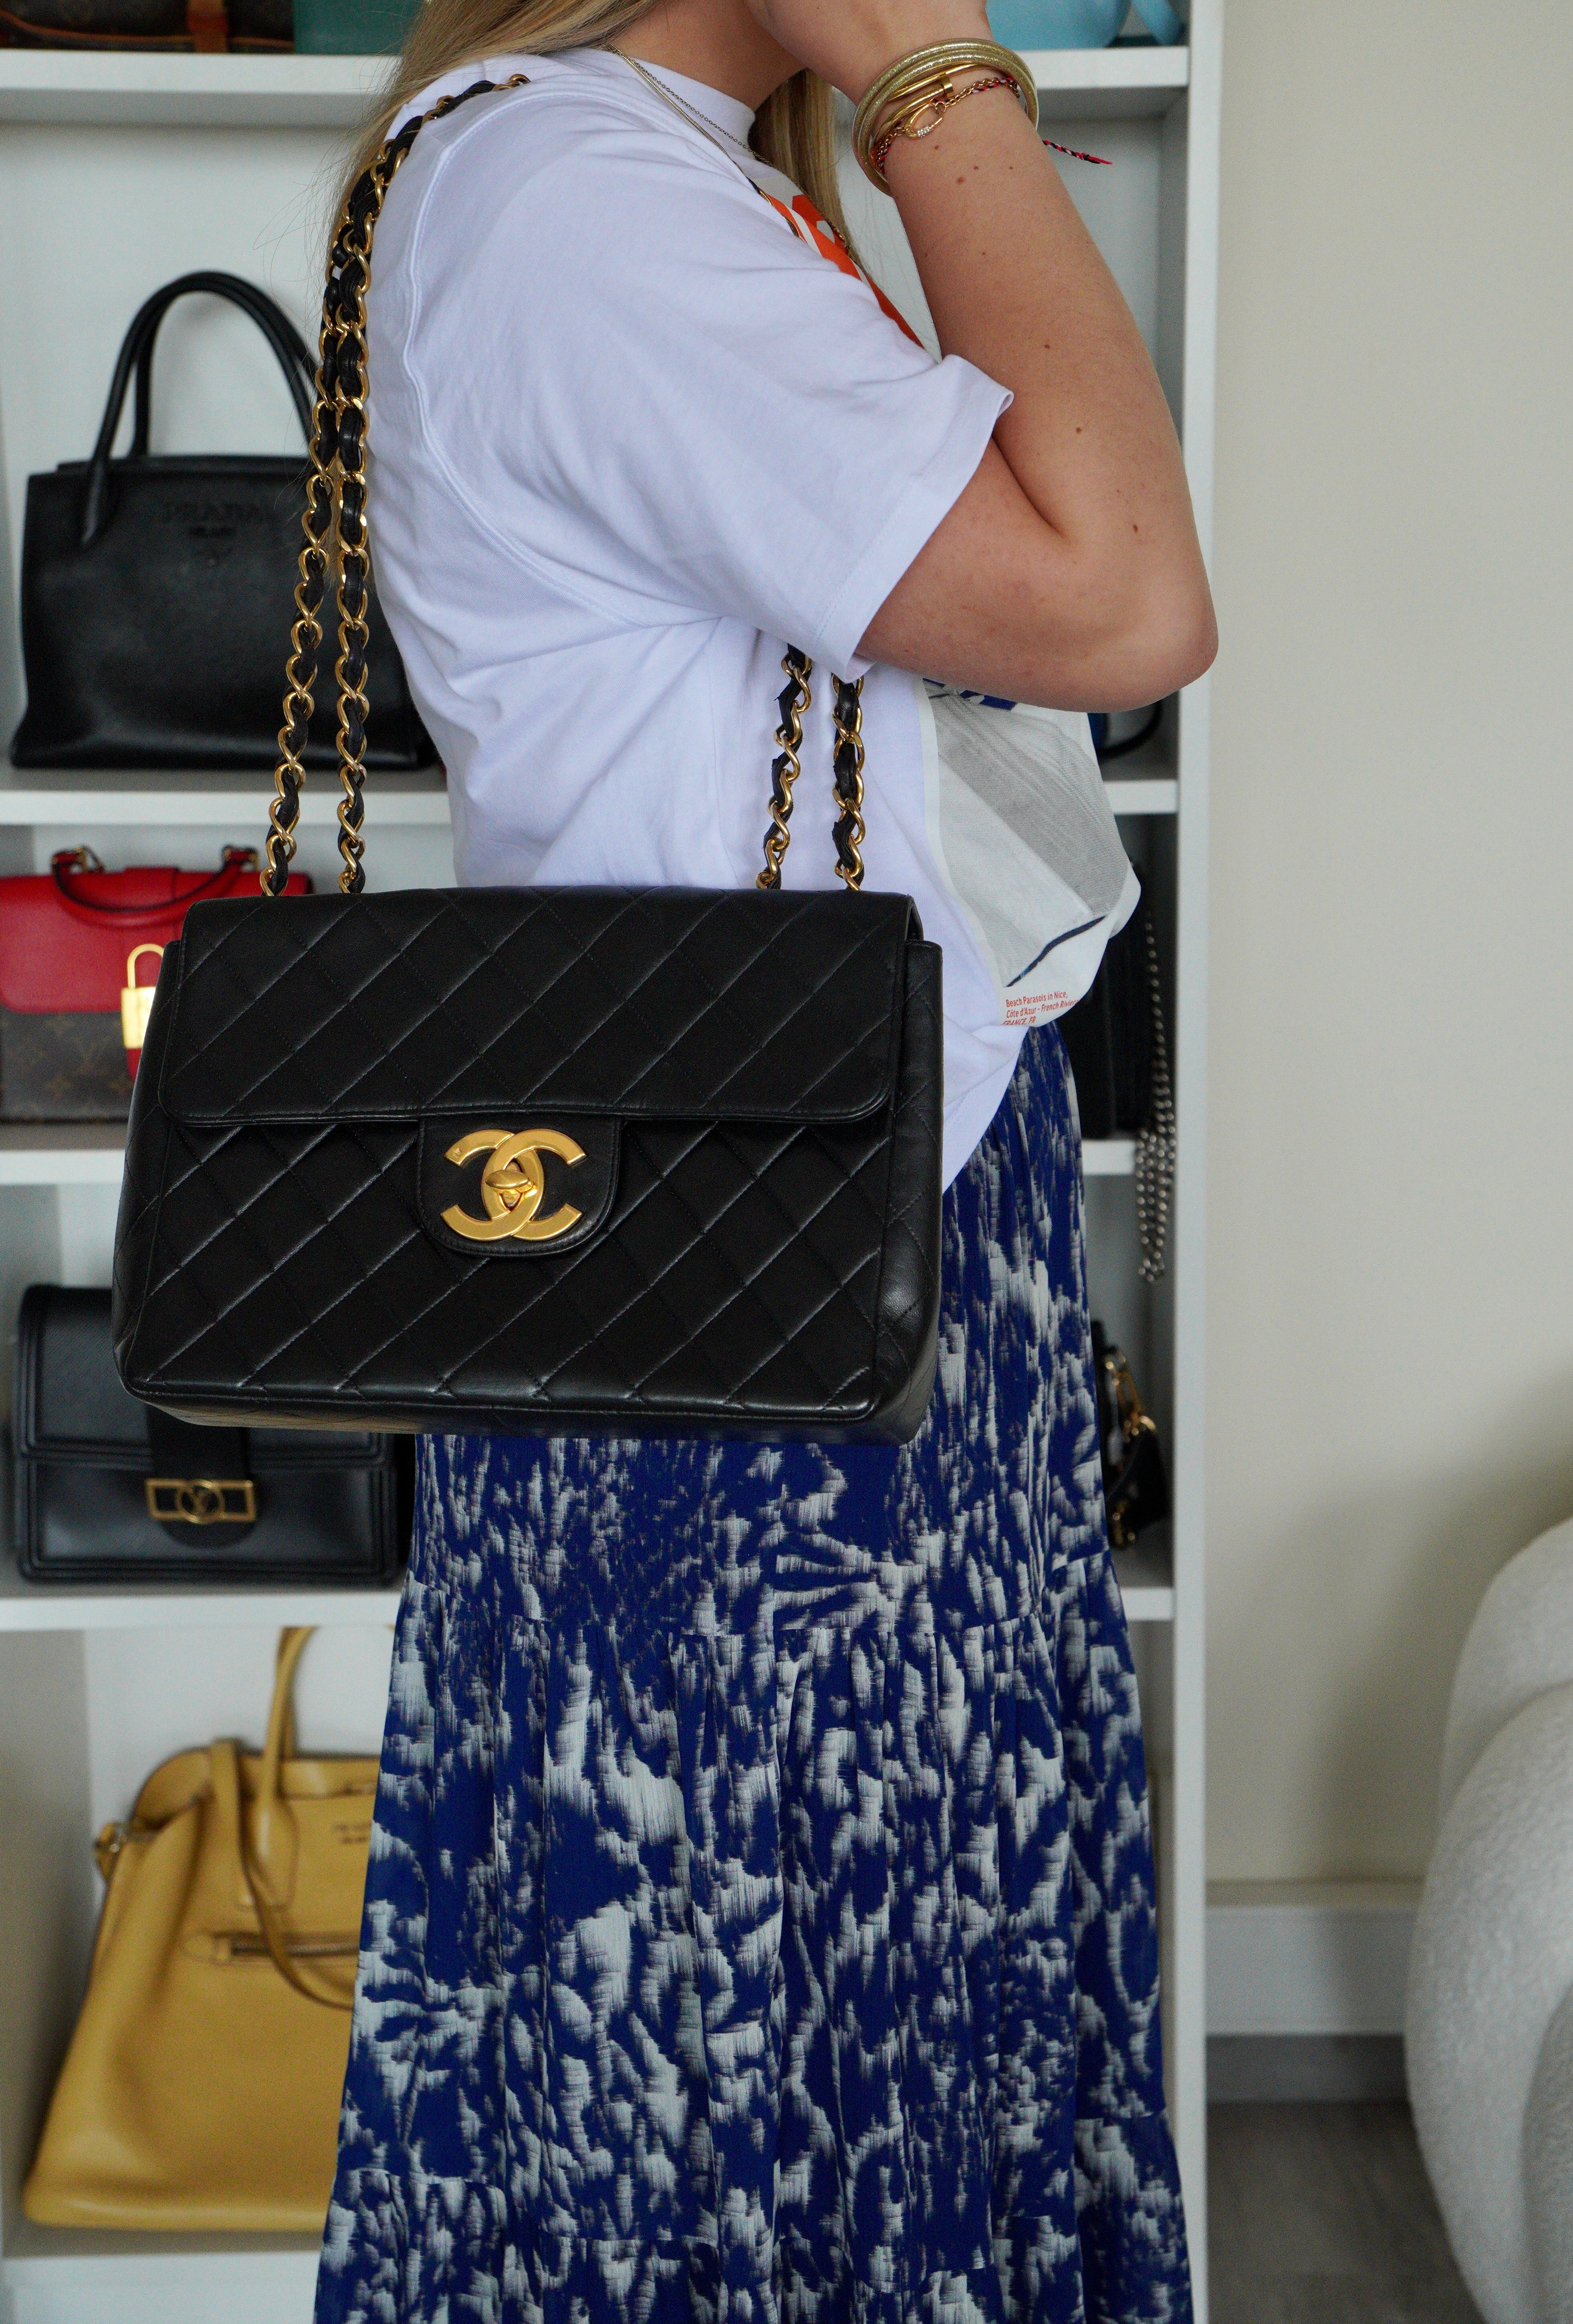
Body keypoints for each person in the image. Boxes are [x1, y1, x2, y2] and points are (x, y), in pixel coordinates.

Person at [314, 3, 1216, 2319]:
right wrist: (935, 74)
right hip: (748, 1293)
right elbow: (1125, 597)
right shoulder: (581, 198)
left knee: (839, 2008)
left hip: (795, 1218)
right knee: (784, 2042)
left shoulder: (659, 171)